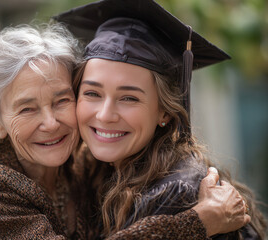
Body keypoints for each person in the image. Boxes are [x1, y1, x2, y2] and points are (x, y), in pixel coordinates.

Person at [0, 22, 249, 239]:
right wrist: (198, 221)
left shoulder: (83, 163)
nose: (51, 123)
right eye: (27, 108)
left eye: (62, 100)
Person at [55, 0, 267, 239]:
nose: (105, 115)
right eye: (92, 93)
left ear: (164, 111)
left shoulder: (178, 193)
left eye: (129, 98)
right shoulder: (100, 174)